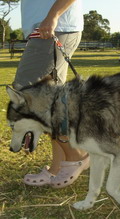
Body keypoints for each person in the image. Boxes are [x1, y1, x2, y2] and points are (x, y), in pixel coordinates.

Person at [12, 0, 89, 188]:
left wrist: (53, 15)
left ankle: (76, 156)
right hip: (49, 27)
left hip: (52, 27)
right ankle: (58, 168)